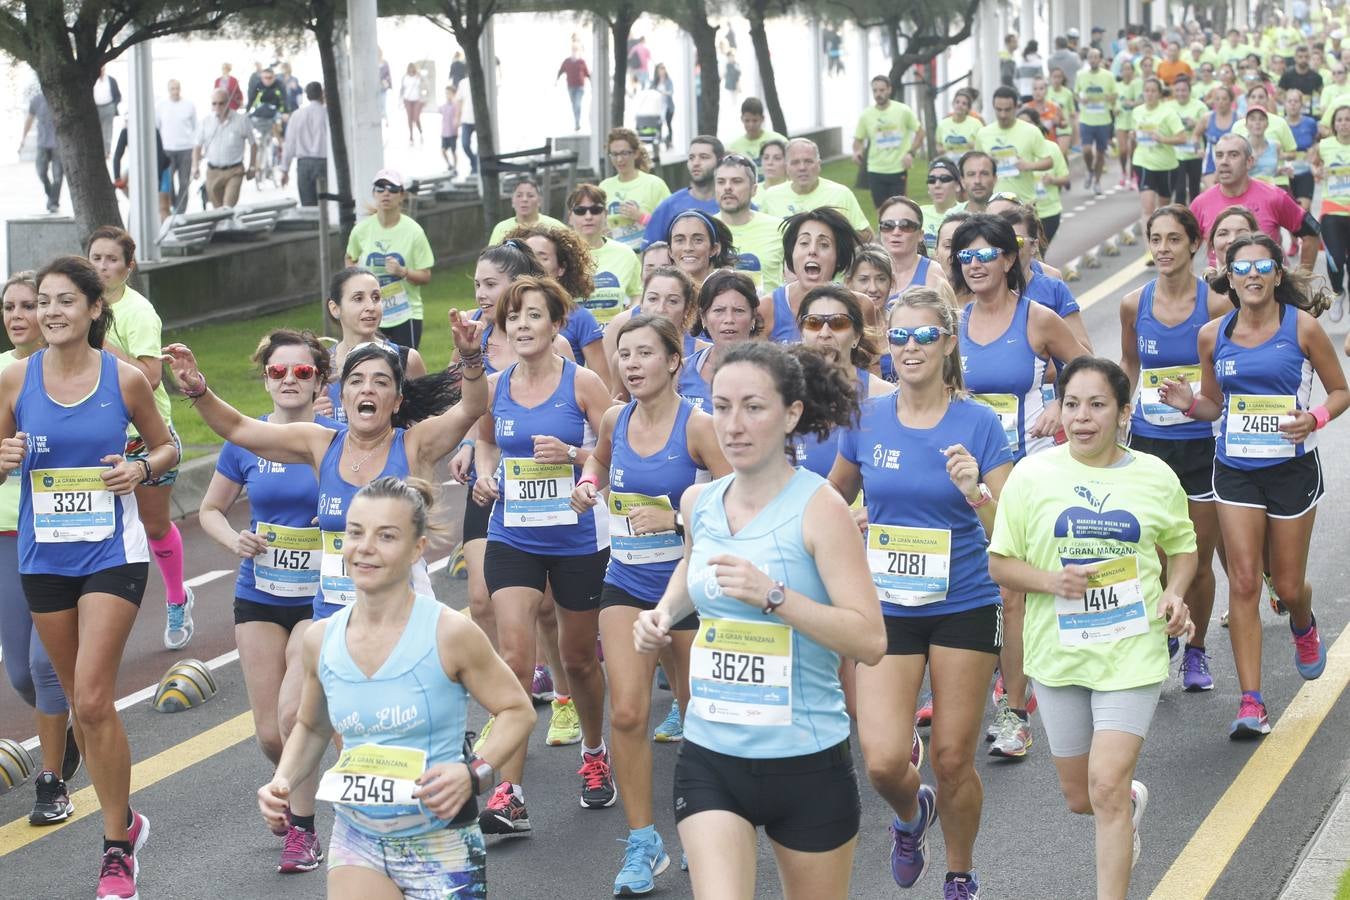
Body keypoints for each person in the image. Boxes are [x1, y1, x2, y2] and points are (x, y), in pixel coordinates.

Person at [633, 340, 886, 900]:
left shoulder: (821, 508)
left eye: (753, 407)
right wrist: (663, 614)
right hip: (711, 756)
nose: (734, 425)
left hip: (804, 759)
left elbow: (869, 640)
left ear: (792, 413)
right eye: (721, 407)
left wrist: (774, 596)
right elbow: (692, 570)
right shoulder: (699, 501)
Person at [256, 476, 536, 900]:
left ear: (417, 549)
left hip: (440, 844)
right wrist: (281, 782)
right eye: (355, 533)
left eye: (386, 536)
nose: (365, 547)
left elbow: (518, 710)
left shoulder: (449, 632)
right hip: (358, 839)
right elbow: (313, 728)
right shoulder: (321, 639)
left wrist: (473, 773)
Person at [987, 357, 1197, 899]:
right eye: (1073, 404)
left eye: (1098, 404)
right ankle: (1125, 810)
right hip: (1058, 656)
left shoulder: (1155, 476)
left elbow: (1183, 548)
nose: (1082, 417)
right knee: (1083, 797)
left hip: (1132, 652)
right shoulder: (1031, 476)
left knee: (1104, 783)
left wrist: (1174, 594)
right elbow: (1001, 563)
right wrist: (1051, 581)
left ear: (1124, 412)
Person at [0, 256, 177, 900]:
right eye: (41, 301)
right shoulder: (16, 381)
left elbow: (168, 447)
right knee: (78, 703)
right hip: (43, 558)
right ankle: (128, 820)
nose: (49, 311)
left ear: (94, 309)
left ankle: (115, 845)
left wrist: (140, 469)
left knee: (95, 697)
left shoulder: (124, 379)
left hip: (111, 552)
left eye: (64, 301)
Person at [830, 289, 1013, 899]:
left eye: (925, 336)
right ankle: (913, 816)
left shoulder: (978, 423)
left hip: (963, 601)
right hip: (888, 608)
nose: (911, 347)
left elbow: (1007, 534)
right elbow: (827, 502)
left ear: (948, 343)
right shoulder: (866, 419)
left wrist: (974, 491)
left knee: (954, 758)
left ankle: (960, 873)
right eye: (900, 337)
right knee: (883, 761)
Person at [1158, 234, 1348, 739]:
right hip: (1235, 468)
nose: (1252, 275)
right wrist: (1186, 403)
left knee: (1285, 586)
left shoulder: (1302, 328)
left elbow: (1340, 390)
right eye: (1242, 268)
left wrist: (1315, 418)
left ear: (1277, 274)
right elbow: (1214, 406)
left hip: (1291, 470)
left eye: (1263, 265)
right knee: (1243, 581)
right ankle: (1252, 702)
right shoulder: (1212, 335)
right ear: (1230, 276)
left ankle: (1303, 624)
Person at [571, 314, 729, 895]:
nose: (631, 364)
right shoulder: (616, 417)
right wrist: (589, 485)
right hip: (627, 580)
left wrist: (678, 515)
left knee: (697, 716)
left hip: (688, 588)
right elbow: (599, 460)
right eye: (623, 355)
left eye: (644, 353)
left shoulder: (700, 427)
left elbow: (739, 502)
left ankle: (705, 827)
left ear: (673, 361)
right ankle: (643, 841)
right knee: (629, 713)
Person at [469, 277, 616, 832]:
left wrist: (577, 459)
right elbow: (486, 440)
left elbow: (613, 448)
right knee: (512, 654)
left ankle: (596, 753)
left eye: (535, 315)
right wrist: (484, 478)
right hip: (514, 535)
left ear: (558, 324)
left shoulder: (583, 383)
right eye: (514, 316)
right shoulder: (496, 385)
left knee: (579, 659)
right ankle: (509, 791)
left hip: (577, 539)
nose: (523, 325)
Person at [199, 329, 340, 874]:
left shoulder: (333, 439)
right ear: (266, 377)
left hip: (318, 598)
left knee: (291, 713)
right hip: (258, 591)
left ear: (319, 379)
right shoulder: (248, 440)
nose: (288, 380)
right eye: (278, 372)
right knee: (268, 733)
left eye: (301, 372)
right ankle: (291, 786)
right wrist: (235, 539)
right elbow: (211, 509)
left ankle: (303, 831)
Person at [951, 214, 1088, 759]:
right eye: (966, 256)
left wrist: (1060, 401)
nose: (976, 264)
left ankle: (1013, 712)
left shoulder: (1038, 318)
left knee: (1013, 591)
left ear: (1009, 259)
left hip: (1025, 470)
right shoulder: (952, 322)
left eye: (987, 253)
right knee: (973, 587)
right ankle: (979, 690)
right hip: (964, 474)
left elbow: (1086, 367)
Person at [1119, 205, 1233, 692]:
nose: (1163, 248)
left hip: (1200, 445)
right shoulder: (1133, 304)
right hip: (1149, 444)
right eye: (1155, 239)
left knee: (1198, 558)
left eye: (1172, 239)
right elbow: (1129, 363)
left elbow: (1228, 376)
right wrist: (1120, 412)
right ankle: (1167, 624)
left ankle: (1198, 651)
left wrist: (1205, 405)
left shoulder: (1216, 306)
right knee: (1157, 555)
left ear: (1193, 244)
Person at [85, 227, 193, 651]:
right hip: (95, 434)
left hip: (144, 436)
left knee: (153, 524)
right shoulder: (80, 306)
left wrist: (104, 344)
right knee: (90, 527)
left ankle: (177, 597)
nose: (102, 267)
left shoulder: (139, 312)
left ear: (129, 267)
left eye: (112, 260)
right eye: (95, 258)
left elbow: (149, 376)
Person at [0, 271, 79, 828]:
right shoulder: (5, 376)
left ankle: (50, 780)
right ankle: (72, 728)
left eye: (31, 304)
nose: (20, 315)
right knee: (21, 676)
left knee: (43, 670)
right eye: (11, 307)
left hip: (62, 538)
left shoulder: (79, 371)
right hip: (8, 538)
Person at [793, 285, 893, 474]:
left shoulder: (884, 396)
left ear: (856, 336)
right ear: (802, 332)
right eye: (813, 323)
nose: (824, 333)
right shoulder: (782, 393)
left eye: (838, 323)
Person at [315, 267, 429, 425]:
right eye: (358, 298)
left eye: (376, 297)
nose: (371, 306)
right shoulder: (319, 366)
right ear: (335, 308)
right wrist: (313, 417)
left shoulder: (406, 359)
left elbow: (426, 427)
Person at [1191, 134, 1321, 270]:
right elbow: (1184, 247)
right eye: (1219, 155)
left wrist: (1302, 281)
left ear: (1249, 162)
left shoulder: (1274, 196)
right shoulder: (1200, 204)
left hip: (1268, 286)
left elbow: (1312, 233)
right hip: (1219, 287)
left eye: (1233, 155)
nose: (1224, 161)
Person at [508, 224, 612, 383]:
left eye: (542, 257)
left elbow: (605, 383)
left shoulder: (579, 317)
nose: (533, 263)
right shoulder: (501, 314)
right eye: (527, 256)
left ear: (561, 269)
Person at [344, 169, 434, 350]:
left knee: (403, 371)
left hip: (406, 313)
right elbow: (349, 258)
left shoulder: (413, 231)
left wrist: (403, 272)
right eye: (380, 188)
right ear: (373, 193)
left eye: (392, 189)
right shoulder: (362, 230)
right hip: (370, 313)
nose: (386, 193)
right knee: (370, 366)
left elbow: (425, 276)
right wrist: (357, 277)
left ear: (401, 195)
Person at [761, 207, 866, 342]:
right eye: (804, 243)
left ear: (838, 257)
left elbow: (870, 361)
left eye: (824, 245)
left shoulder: (861, 305)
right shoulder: (767, 307)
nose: (812, 251)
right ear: (791, 252)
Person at [998, 206, 1091, 349]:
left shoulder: (1054, 289)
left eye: (1017, 241)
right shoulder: (983, 291)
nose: (1009, 247)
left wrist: (1044, 342)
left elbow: (1085, 352)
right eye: (1001, 241)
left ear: (1034, 246)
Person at [678, 270, 762, 412]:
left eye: (738, 310)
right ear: (703, 318)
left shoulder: (775, 372)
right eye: (719, 310)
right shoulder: (680, 372)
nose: (729, 319)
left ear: (753, 317)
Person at [760, 138, 872, 237]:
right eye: (795, 162)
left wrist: (835, 242)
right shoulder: (771, 196)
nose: (802, 167)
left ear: (819, 165)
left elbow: (867, 234)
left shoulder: (840, 193)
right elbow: (762, 234)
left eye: (808, 161)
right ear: (786, 167)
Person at [568, 183, 643, 325]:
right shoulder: (559, 255)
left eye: (596, 210)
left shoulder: (625, 253)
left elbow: (638, 294)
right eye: (580, 210)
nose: (588, 216)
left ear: (606, 214)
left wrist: (629, 317)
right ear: (570, 217)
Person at [714, 154, 785, 293]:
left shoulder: (780, 229)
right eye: (721, 182)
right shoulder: (704, 229)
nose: (727, 187)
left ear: (754, 189)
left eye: (736, 181)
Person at [1130, 78, 1186, 252]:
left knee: (1163, 209)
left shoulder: (1168, 113)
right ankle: (1149, 250)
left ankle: (1164, 244)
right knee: (1147, 208)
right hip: (1143, 162)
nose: (1150, 94)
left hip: (1166, 166)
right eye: (1147, 90)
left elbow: (1182, 137)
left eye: (1153, 91)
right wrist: (1134, 136)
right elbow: (1135, 133)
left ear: (1160, 93)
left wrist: (1163, 139)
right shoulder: (1137, 112)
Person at [853, 75, 924, 208]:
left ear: (889, 90)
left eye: (882, 90)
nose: (878, 94)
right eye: (875, 91)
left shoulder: (903, 110)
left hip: (898, 169)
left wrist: (911, 153)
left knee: (899, 208)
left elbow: (920, 133)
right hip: (875, 169)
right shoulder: (866, 115)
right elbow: (858, 140)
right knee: (880, 210)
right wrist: (857, 152)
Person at [644, 136, 726, 246]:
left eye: (704, 157)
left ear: (720, 162)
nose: (696, 163)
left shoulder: (734, 204)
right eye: (691, 157)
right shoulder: (669, 206)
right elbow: (650, 251)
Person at [976, 87, 1052, 205]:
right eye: (999, 110)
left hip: (1024, 203)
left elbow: (1048, 162)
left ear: (1016, 107)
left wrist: (1028, 165)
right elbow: (977, 166)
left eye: (1007, 110)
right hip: (993, 204)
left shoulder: (1031, 131)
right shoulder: (983, 134)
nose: (1003, 114)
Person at [599, 127, 671, 250]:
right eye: (614, 154)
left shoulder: (654, 184)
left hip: (649, 261)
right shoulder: (604, 186)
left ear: (636, 153)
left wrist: (640, 217)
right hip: (617, 260)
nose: (619, 159)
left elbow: (672, 225)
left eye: (624, 153)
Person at [1310, 103, 1350, 320]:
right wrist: (1318, 171)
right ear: (1334, 124)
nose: (1344, 123)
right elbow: (1314, 166)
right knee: (1335, 259)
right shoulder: (1325, 145)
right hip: (1332, 210)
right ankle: (1338, 292)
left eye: (1348, 119)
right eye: (1340, 119)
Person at [192, 88, 258, 209]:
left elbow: (253, 144)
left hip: (234, 171)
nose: (218, 106)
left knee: (227, 207)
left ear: (228, 102)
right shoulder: (205, 122)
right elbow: (197, 146)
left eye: (221, 103)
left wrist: (252, 166)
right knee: (218, 210)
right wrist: (195, 166)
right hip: (213, 172)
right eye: (214, 103)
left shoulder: (241, 120)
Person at [1014, 108, 1071, 245]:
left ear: (1037, 125)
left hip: (1048, 213)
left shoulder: (1051, 148)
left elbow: (1065, 178)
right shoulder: (1012, 150)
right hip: (1022, 214)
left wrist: (1052, 180)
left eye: (1028, 124)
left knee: (1038, 253)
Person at [878, 195, 947, 294]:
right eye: (888, 226)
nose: (896, 232)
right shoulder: (868, 271)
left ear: (920, 235)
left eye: (906, 226)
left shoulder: (933, 273)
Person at [1076, 49, 1117, 196]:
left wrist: (1106, 97)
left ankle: (1097, 182)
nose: (1093, 60)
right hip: (1086, 119)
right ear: (1087, 59)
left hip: (1103, 120)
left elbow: (1114, 95)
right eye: (1090, 57)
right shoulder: (1081, 75)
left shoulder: (1108, 76)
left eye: (1096, 57)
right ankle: (1089, 170)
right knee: (1086, 150)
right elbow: (1076, 93)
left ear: (1100, 59)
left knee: (1100, 154)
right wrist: (1081, 99)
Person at [280, 82, 328, 207]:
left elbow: (289, 144)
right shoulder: (326, 114)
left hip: (304, 165)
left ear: (307, 96)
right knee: (326, 205)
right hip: (324, 163)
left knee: (308, 206)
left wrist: (285, 170)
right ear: (321, 94)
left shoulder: (297, 115)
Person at [156, 79, 197, 213]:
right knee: (169, 182)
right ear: (169, 90)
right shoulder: (161, 106)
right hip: (167, 149)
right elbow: (156, 128)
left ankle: (181, 211)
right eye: (172, 89)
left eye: (177, 88)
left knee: (184, 182)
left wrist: (196, 151)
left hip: (186, 148)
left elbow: (195, 127)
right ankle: (173, 205)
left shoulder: (189, 105)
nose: (175, 91)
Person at [19, 92, 63, 214]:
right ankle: (51, 196)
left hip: (59, 144)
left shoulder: (60, 98)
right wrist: (23, 138)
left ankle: (53, 202)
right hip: (42, 143)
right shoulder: (37, 100)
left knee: (58, 176)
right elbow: (29, 119)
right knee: (41, 172)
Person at [488, 176, 566, 245]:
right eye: (519, 195)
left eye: (530, 196)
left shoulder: (556, 227)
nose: (524, 199)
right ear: (512, 202)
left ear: (539, 201)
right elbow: (490, 258)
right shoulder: (501, 228)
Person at [1169, 77, 1208, 205]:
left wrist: (1196, 124)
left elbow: (1208, 127)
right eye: (1178, 90)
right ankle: (1180, 218)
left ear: (1189, 91)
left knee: (1194, 188)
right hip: (1176, 154)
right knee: (1179, 190)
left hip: (1195, 152)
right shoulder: (1169, 107)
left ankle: (1195, 218)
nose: (1181, 93)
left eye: (1184, 90)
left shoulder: (1199, 106)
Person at [919, 159, 964, 254]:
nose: (937, 185)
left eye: (945, 179)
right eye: (932, 180)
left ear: (958, 185)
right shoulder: (919, 213)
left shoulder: (966, 212)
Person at [726, 97, 787, 163]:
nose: (751, 125)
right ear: (741, 119)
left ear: (762, 119)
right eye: (747, 121)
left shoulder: (780, 141)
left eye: (755, 120)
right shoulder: (734, 147)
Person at [1115, 60, 1142, 190]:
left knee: (1133, 151)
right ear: (1121, 72)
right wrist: (1115, 109)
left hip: (1134, 121)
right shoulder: (1117, 85)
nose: (1127, 71)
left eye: (1129, 69)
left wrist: (1131, 103)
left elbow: (1140, 101)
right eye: (1124, 69)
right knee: (1123, 150)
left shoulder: (1137, 84)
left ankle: (1133, 177)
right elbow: (1114, 104)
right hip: (1121, 121)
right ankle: (1123, 172)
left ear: (1133, 71)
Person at [936, 90, 982, 161]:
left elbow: (982, 146)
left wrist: (971, 146)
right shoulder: (943, 124)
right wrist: (944, 150)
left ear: (968, 108)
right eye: (957, 102)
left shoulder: (976, 123)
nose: (960, 105)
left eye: (964, 104)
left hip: (970, 161)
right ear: (953, 104)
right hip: (949, 162)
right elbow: (938, 145)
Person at [557, 46, 591, 132]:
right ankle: (576, 121)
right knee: (574, 105)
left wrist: (592, 82)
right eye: (573, 51)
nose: (574, 53)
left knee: (577, 104)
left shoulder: (581, 62)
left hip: (580, 86)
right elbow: (561, 70)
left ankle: (577, 123)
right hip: (571, 86)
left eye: (576, 51)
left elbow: (587, 73)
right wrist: (556, 80)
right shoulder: (567, 61)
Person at [653, 63, 676, 147]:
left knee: (669, 124)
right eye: (661, 68)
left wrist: (664, 92)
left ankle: (669, 141)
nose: (662, 70)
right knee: (659, 125)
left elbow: (671, 92)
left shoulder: (668, 80)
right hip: (658, 107)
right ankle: (658, 141)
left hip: (668, 107)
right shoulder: (655, 81)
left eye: (663, 68)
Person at [402, 62, 424, 145]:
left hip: (416, 99)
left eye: (412, 68)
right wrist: (401, 99)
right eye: (410, 68)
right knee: (409, 118)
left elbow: (424, 83)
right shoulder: (405, 77)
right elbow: (402, 88)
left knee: (416, 117)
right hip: (407, 99)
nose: (411, 69)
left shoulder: (417, 77)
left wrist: (420, 76)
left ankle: (420, 131)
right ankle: (411, 135)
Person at [458, 81, 478, 176]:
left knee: (481, 146)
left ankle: (476, 167)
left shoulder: (485, 80)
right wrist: (457, 117)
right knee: (465, 144)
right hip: (466, 119)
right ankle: (474, 161)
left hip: (480, 119)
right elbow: (460, 101)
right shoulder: (463, 83)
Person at [439, 84, 460, 172]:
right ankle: (449, 164)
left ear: (454, 95)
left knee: (453, 151)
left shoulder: (456, 106)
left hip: (452, 133)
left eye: (449, 93)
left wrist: (457, 129)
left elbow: (458, 117)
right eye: (446, 93)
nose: (447, 95)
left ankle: (455, 167)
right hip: (444, 133)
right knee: (443, 150)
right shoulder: (444, 106)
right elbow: (438, 110)